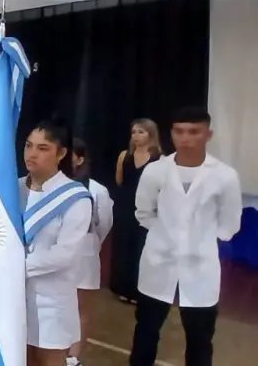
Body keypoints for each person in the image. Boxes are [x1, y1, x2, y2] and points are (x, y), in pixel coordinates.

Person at [129, 107, 241, 366]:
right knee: (145, 333)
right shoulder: (156, 171)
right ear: (171, 134)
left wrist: (199, 239)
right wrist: (165, 234)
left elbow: (229, 224)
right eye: (179, 131)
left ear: (208, 134)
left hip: (201, 267)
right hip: (157, 262)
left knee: (200, 341)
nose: (185, 138)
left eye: (193, 132)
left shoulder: (225, 176)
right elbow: (143, 212)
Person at [20, 120, 93, 366]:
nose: (32, 154)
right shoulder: (14, 188)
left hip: (51, 299)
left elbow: (65, 255)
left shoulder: (75, 197)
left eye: (43, 148)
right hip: (14, 295)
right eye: (29, 146)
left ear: (61, 153)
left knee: (49, 359)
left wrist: (13, 266)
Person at [67, 139, 114, 366]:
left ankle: (73, 356)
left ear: (80, 158)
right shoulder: (49, 184)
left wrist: (91, 245)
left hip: (85, 256)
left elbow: (103, 224)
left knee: (81, 310)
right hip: (56, 257)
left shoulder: (97, 190)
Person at [110, 118, 162, 304]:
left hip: (147, 208)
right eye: (134, 132)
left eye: (141, 131)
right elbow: (119, 180)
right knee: (123, 246)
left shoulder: (160, 158)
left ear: (151, 134)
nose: (136, 136)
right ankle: (121, 286)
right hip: (125, 205)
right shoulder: (125, 155)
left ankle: (138, 289)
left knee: (140, 248)